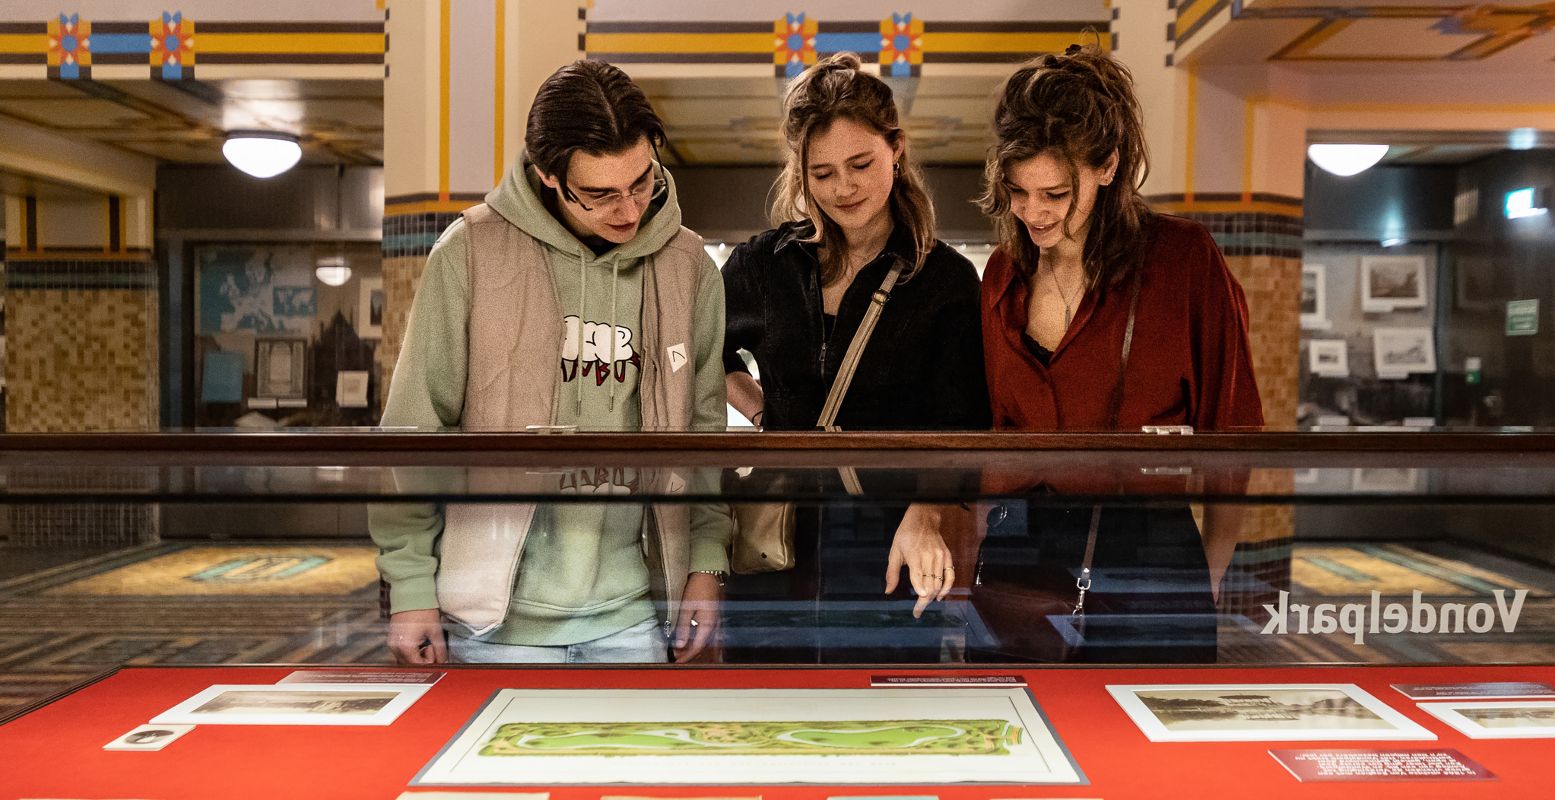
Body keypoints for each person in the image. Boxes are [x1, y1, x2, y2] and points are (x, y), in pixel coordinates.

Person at [369, 60, 731, 665]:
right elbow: (414, 430)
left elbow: (706, 434)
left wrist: (708, 562)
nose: (628, 209)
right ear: (548, 177)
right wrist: (409, 586)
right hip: (493, 621)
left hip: (639, 611)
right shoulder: (470, 253)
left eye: (641, 183)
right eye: (600, 194)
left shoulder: (688, 265)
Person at [972, 44, 1263, 662]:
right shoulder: (1001, 273)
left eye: (1053, 193)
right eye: (1018, 193)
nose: (1033, 214)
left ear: (1107, 167)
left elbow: (1231, 432)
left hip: (1147, 553)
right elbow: (989, 431)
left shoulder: (1183, 261)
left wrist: (1207, 575)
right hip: (1016, 553)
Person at [721, 53, 989, 661]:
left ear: (897, 148)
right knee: (764, 712)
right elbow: (708, 358)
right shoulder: (763, 265)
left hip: (891, 538)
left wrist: (926, 514)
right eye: (822, 173)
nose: (844, 188)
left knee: (881, 715)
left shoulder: (944, 281)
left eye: (861, 164)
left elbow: (962, 424)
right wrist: (765, 413)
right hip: (775, 541)